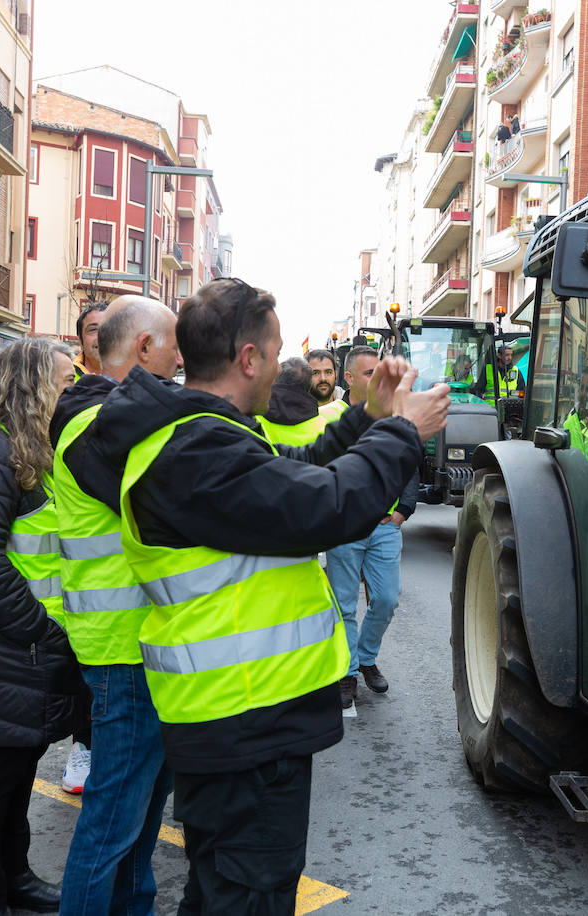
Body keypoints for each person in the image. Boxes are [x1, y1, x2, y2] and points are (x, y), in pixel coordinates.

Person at [86, 277, 449, 913]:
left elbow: (298, 473)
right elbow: (322, 505)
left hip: (240, 719)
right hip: (243, 721)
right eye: (277, 350)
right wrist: (402, 434)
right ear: (248, 359)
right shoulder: (195, 447)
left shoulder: (200, 434)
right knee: (246, 899)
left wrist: (367, 417)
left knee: (224, 892)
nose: (285, 363)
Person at [49, 294, 182, 915]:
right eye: (175, 344)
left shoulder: (107, 417)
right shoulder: (96, 426)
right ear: (145, 348)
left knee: (138, 819)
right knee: (111, 822)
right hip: (124, 648)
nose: (183, 358)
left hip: (137, 643)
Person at [0, 338, 81, 916]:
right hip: (1, 639)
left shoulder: (27, 447)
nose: (72, 389)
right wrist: (37, 627)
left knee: (18, 767)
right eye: (66, 380)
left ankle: (13, 878)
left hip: (20, 641)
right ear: (33, 384)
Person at [326, 347, 419, 708]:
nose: (377, 381)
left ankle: (366, 657)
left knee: (386, 598)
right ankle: (348, 672)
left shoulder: (394, 413)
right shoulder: (332, 417)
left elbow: (410, 462)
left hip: (384, 527)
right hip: (345, 528)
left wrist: (403, 511)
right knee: (344, 606)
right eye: (368, 374)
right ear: (348, 378)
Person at [257, 357, 342, 446]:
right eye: (316, 373)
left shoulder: (254, 421)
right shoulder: (324, 430)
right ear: (309, 386)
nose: (323, 378)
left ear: (275, 381)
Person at [73, 302, 109, 379]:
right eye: (93, 330)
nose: (101, 336)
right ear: (80, 341)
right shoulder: (65, 377)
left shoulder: (135, 379)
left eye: (107, 328)